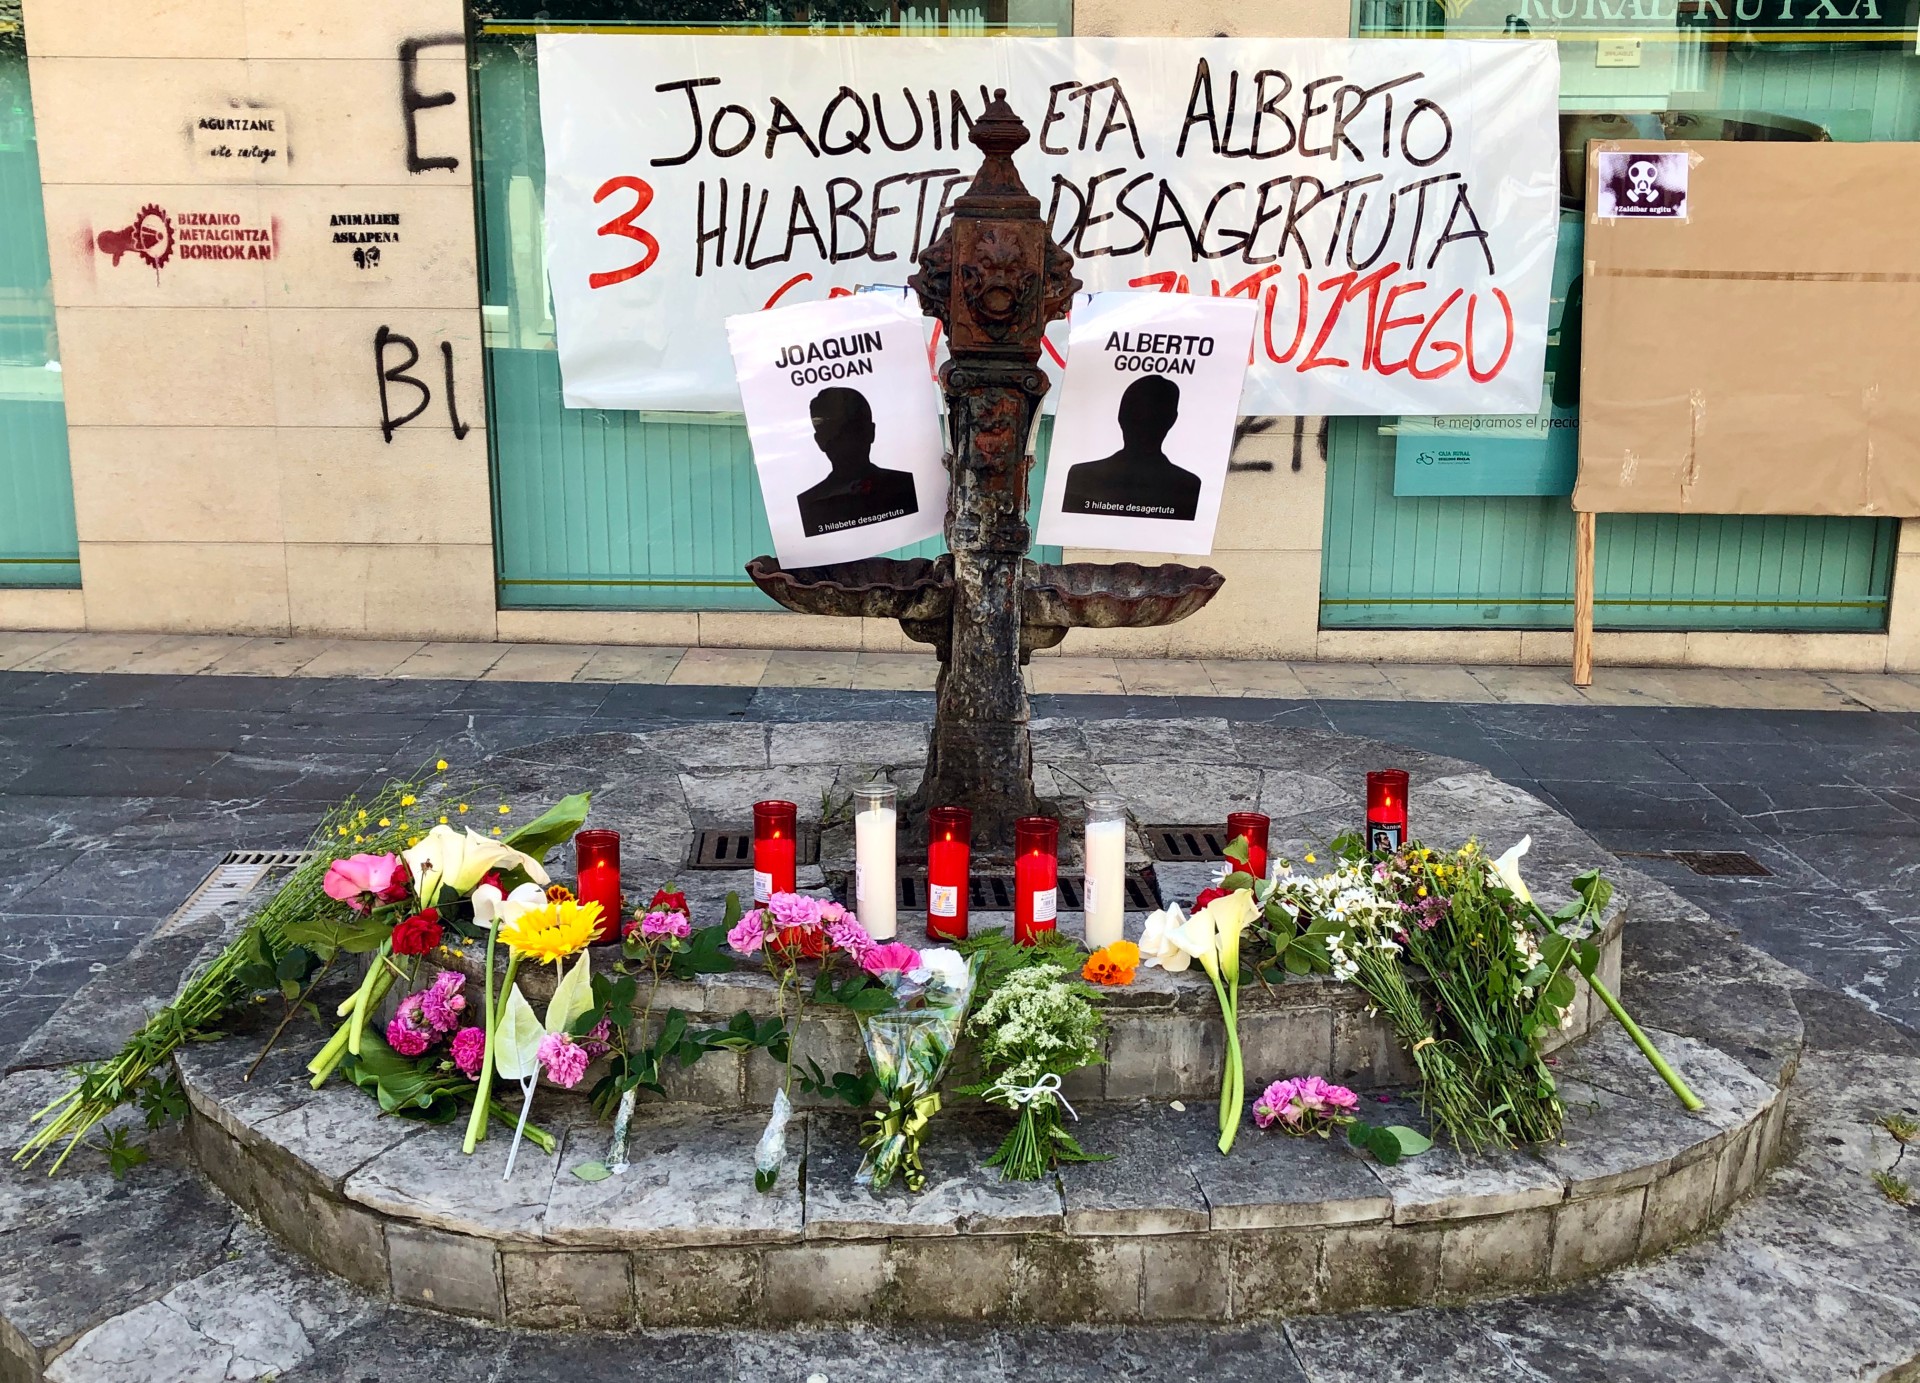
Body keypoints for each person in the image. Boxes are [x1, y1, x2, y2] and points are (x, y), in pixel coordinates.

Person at [1060, 374, 1201, 522]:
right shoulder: (1187, 485)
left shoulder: (1082, 475)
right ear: (1172, 420)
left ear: (1121, 415)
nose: (1143, 423)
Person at [795, 386, 919, 537]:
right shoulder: (806, 505)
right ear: (820, 441)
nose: (847, 442)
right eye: (837, 434)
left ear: (871, 432)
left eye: (853, 429)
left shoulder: (907, 487)